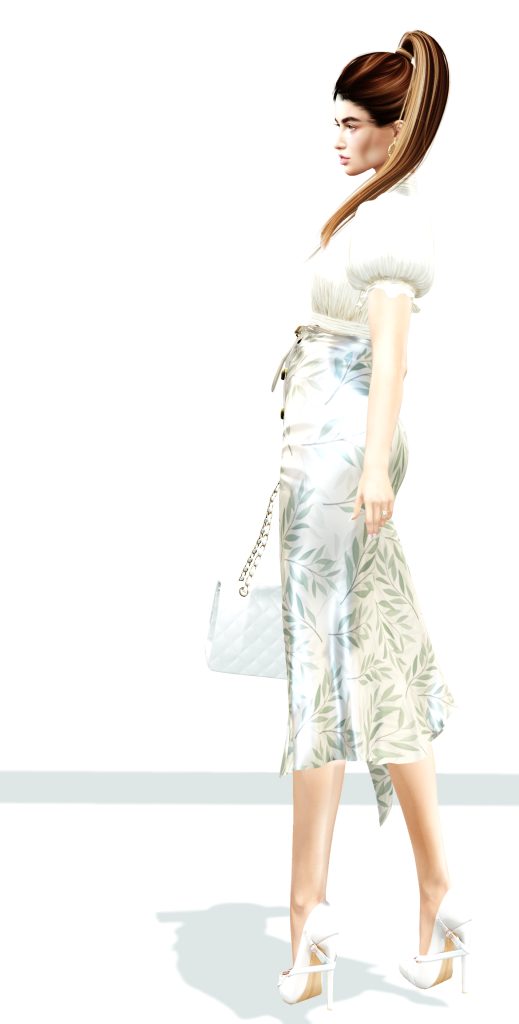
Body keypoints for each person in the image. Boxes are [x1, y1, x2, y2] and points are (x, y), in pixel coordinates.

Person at [275, 30, 472, 1007]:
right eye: (338, 123)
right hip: (337, 450)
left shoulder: (389, 226)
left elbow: (389, 354)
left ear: (397, 131)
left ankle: (307, 919)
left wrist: (371, 469)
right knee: (377, 656)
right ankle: (436, 891)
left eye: (354, 124)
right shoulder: (378, 213)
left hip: (338, 456)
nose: (340, 139)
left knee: (319, 666)